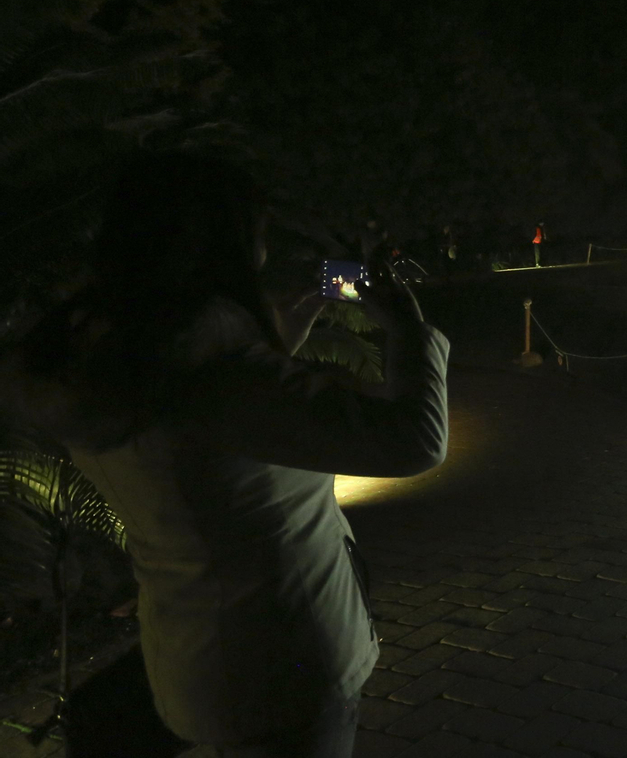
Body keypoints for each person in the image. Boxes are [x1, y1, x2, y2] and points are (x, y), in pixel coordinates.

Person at [0, 152, 450, 757]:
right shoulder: (219, 382)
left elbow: (230, 403)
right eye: (256, 238)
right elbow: (415, 439)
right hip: (285, 663)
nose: (261, 255)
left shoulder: (109, 359)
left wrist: (319, 297)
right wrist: (406, 324)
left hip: (196, 659)